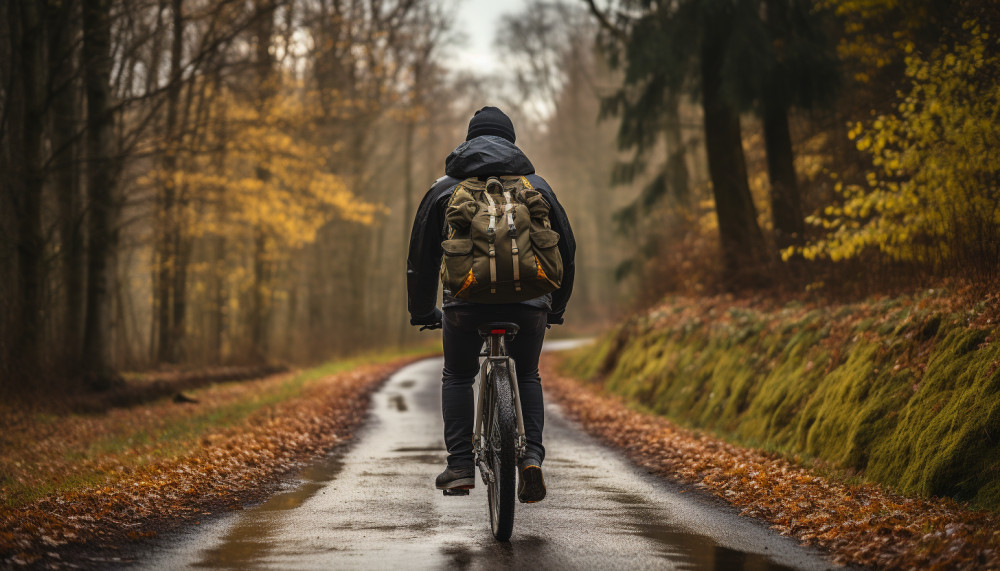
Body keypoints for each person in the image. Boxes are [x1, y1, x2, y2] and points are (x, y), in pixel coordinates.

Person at [406, 106, 575, 503]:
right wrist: (556, 305)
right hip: (530, 304)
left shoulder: (444, 189)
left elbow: (421, 259)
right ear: (511, 142)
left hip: (465, 304)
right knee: (527, 373)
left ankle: (460, 466)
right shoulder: (537, 186)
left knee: (458, 375)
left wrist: (422, 311)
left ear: (468, 142)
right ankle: (531, 457)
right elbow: (565, 251)